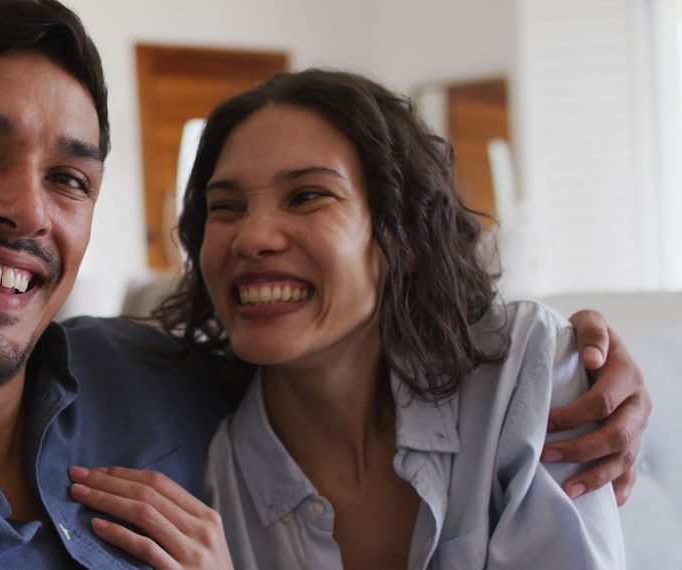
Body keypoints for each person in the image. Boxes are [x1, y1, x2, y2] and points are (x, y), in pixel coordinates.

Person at [0, 2, 648, 568]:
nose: (24, 207)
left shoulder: (154, 371)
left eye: (68, 176)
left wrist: (576, 360)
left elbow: (349, 350)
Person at [67, 69, 634, 569]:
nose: (253, 237)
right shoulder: (207, 468)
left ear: (403, 236)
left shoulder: (525, 372)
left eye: (308, 196)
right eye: (227, 207)